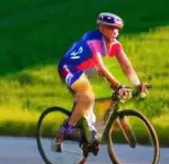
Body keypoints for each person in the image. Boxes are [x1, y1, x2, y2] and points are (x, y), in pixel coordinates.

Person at [54, 12, 147, 154]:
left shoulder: (115, 45)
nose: (115, 32)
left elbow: (126, 66)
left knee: (102, 94)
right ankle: (64, 131)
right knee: (88, 97)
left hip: (87, 68)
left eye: (117, 29)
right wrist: (118, 86)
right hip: (69, 67)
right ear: (102, 28)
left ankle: (88, 130)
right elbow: (101, 67)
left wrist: (138, 85)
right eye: (111, 28)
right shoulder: (94, 40)